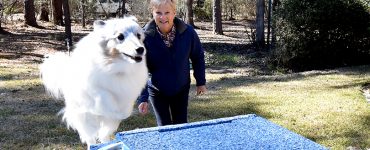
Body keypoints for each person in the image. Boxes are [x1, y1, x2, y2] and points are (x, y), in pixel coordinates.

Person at [137, 0, 207, 126]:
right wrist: (143, 98)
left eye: (167, 12)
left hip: (181, 88)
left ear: (174, 13)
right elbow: (140, 69)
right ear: (152, 13)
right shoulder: (144, 37)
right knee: (164, 127)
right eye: (158, 12)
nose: (163, 17)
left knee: (181, 125)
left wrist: (201, 82)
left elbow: (198, 56)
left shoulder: (188, 33)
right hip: (157, 90)